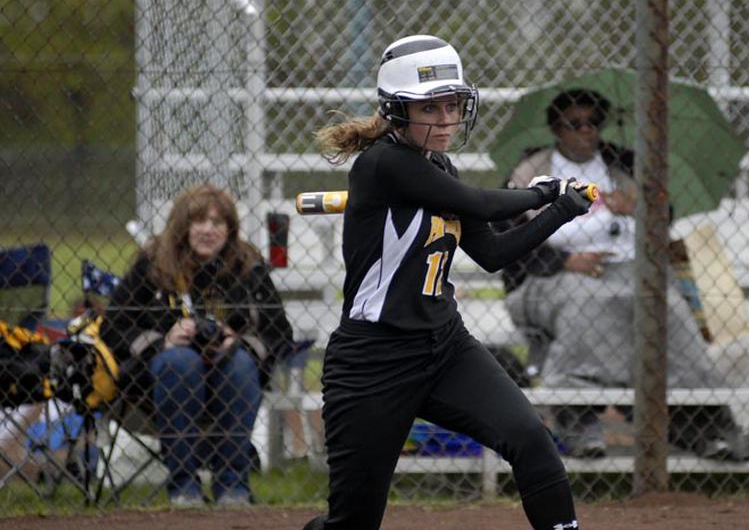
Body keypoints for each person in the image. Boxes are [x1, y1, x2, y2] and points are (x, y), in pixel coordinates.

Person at [301, 35, 593, 530]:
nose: (444, 120)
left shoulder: (441, 167)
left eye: (452, 105)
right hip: (373, 360)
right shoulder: (382, 164)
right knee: (352, 524)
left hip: (445, 347)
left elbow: (493, 253)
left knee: (530, 440)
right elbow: (480, 204)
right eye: (428, 108)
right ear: (395, 110)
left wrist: (560, 211)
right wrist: (543, 191)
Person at [501, 89, 749, 461]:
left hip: (625, 271)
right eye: (575, 124)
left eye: (593, 123)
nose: (586, 131)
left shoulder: (623, 165)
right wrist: (563, 262)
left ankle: (702, 425)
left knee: (666, 307)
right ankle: (580, 423)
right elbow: (507, 241)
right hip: (550, 278)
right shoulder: (529, 174)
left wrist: (637, 205)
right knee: (588, 302)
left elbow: (665, 217)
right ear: (556, 129)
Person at [100, 184, 294, 506]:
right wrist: (164, 341)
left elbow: (280, 333)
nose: (208, 230)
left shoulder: (248, 265)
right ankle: (184, 488)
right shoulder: (153, 262)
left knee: (242, 363)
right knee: (180, 361)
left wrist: (238, 341)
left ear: (229, 230)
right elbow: (113, 327)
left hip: (231, 379)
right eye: (199, 221)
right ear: (182, 225)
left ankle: (233, 486)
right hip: (158, 385)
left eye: (218, 223)